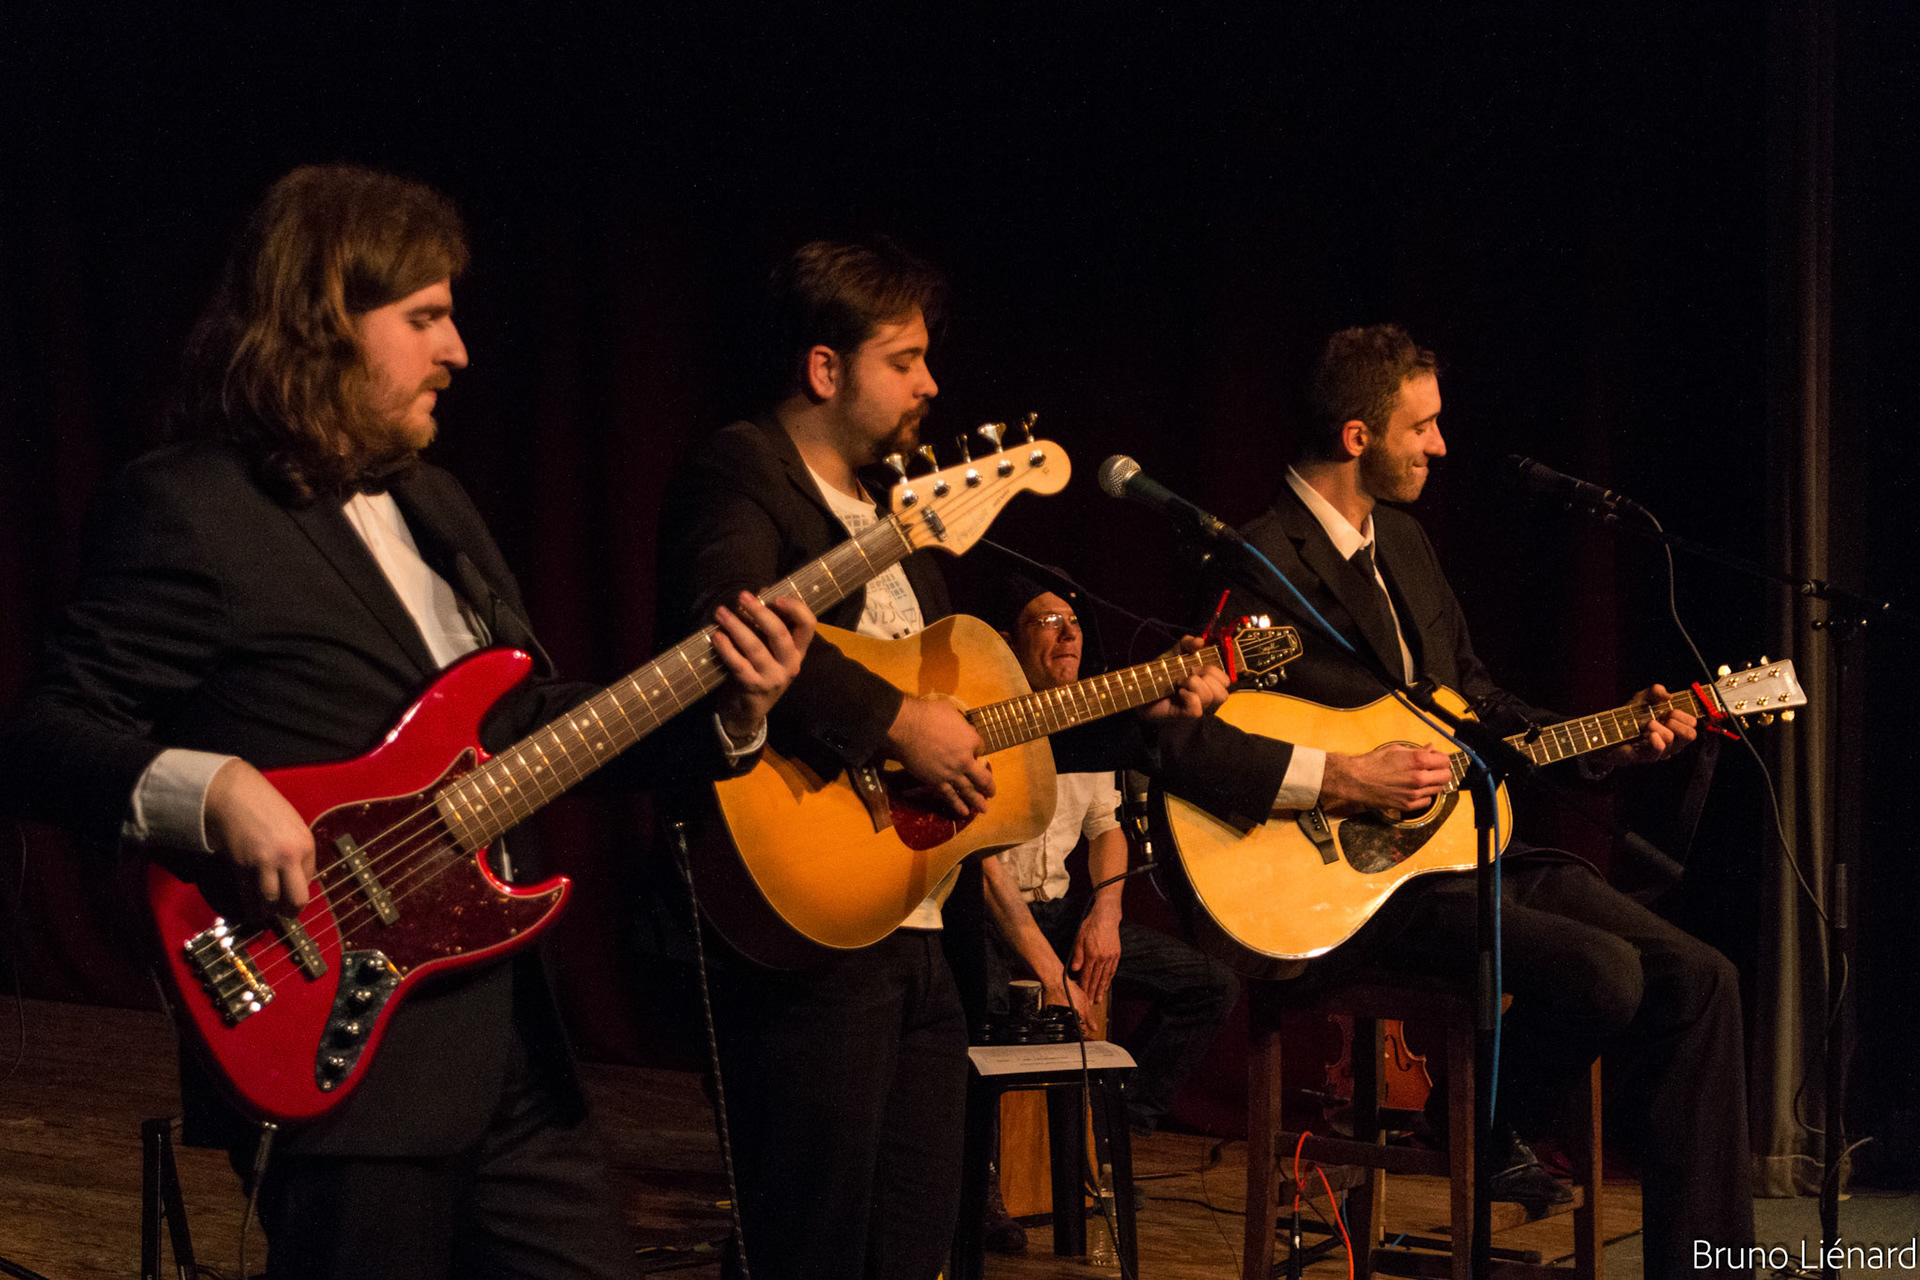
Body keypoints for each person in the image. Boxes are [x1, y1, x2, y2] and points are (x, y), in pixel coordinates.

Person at [0, 164, 814, 1280]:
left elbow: (525, 725)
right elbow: (45, 735)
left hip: (515, 1053)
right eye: (425, 317)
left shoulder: (437, 502)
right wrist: (214, 788)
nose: (459, 350)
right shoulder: (192, 506)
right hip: (340, 1053)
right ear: (322, 320)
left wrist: (731, 712)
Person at [1158, 324, 1753, 1279]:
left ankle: (1707, 1265)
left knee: (1701, 976)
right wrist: (1345, 778)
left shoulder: (1405, 544)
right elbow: (1183, 742)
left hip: (1461, 852)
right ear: (1358, 437)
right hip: (1350, 889)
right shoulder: (1257, 558)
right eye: (1422, 427)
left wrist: (1607, 738)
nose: (1440, 445)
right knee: (1604, 972)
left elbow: (1477, 705)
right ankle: (1480, 1118)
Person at [982, 585, 1238, 1136]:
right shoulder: (986, 724)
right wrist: (1053, 976)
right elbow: (983, 867)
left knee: (1211, 985)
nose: (1068, 633)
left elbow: (1106, 828)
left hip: (1055, 914)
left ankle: (1112, 1130)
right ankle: (999, 1172)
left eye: (1073, 620)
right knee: (991, 1008)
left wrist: (1106, 912)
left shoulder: (1091, 724)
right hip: (989, 921)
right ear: (1007, 642)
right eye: (1048, 620)